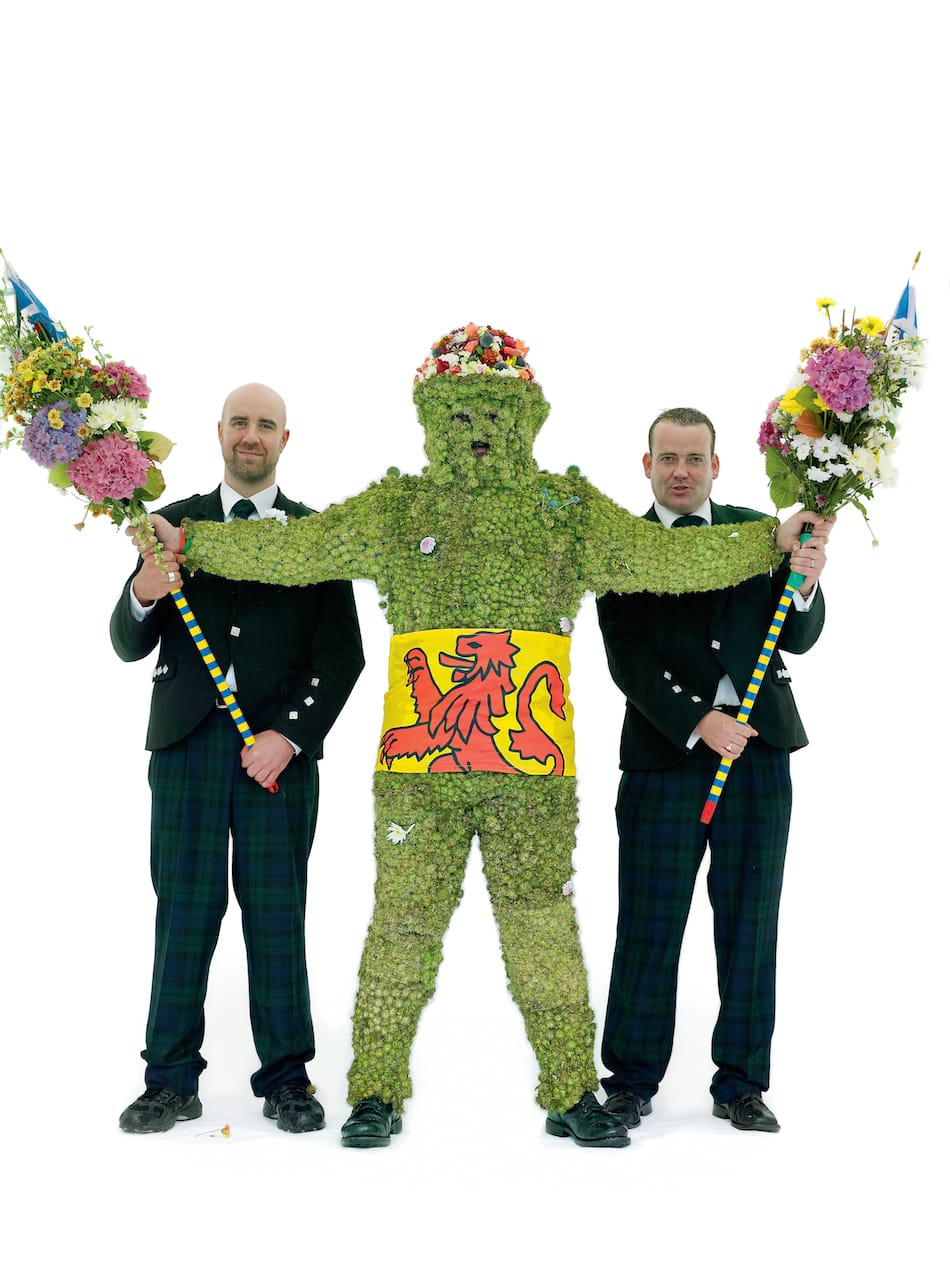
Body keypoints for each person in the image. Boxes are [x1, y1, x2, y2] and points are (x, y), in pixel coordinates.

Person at [145, 328, 818, 1150]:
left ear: (528, 418)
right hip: (417, 765)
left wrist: (767, 541)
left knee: (542, 922)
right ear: (430, 417)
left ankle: (573, 1090)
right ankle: (375, 1094)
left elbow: (655, 554)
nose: (478, 427)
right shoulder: (399, 509)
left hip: (529, 762)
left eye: (496, 413)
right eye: (460, 410)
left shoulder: (564, 509)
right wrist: (193, 540)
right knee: (400, 924)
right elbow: (299, 546)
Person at [111, 383, 364, 1135]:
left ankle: (287, 1078)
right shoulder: (169, 525)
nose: (251, 436)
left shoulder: (317, 534)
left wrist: (288, 735)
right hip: (188, 748)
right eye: (240, 423)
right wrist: (147, 588)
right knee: (184, 914)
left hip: (277, 758)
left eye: (266, 425)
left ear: (285, 440)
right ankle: (169, 1080)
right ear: (220, 433)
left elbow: (340, 655)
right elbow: (126, 641)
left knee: (278, 915)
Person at [596, 407, 831, 1134]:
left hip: (758, 755)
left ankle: (741, 1083)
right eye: (668, 458)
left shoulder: (759, 533)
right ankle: (630, 1080)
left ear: (715, 466)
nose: (681, 472)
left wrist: (804, 580)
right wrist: (700, 719)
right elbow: (627, 659)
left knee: (750, 924)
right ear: (647, 465)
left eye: (694, 459)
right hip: (667, 759)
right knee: (648, 923)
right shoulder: (621, 549)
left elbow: (799, 633)